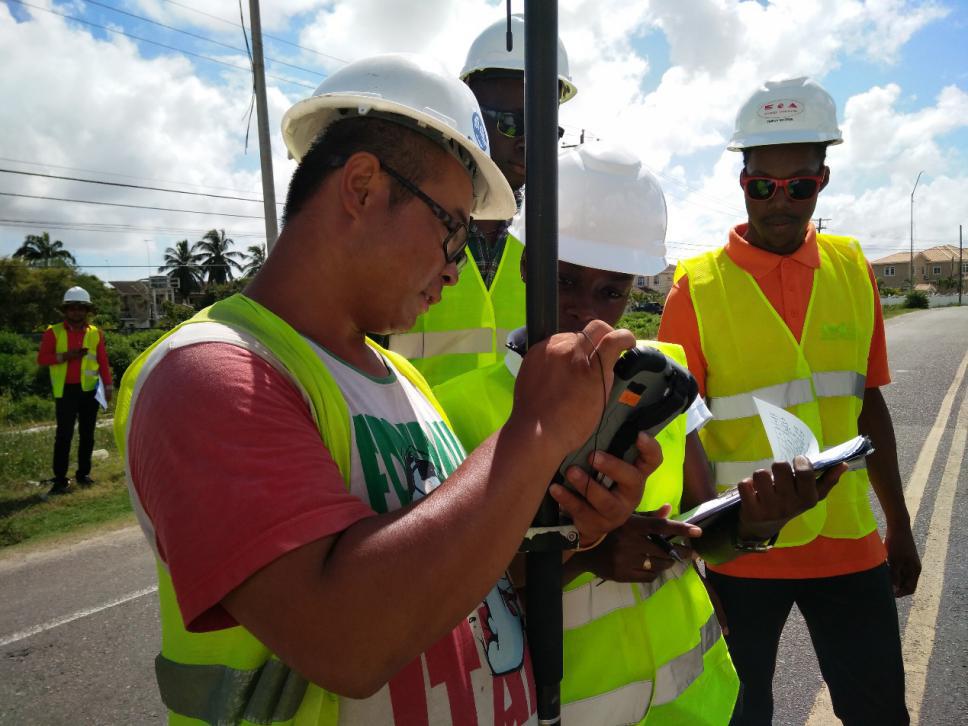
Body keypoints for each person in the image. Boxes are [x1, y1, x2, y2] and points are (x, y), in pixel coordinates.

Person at [114, 54, 653, 726]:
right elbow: (347, 642)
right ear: (363, 187)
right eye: (452, 230)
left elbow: (455, 592)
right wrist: (534, 433)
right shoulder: (212, 376)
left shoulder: (401, 379)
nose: (457, 271)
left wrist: (575, 534)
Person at [434, 143, 845, 725]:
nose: (587, 315)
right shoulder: (463, 409)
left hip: (700, 704)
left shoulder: (669, 380)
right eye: (565, 283)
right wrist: (587, 552)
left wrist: (759, 522)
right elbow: (452, 602)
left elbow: (705, 532)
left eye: (611, 291)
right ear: (527, 269)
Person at [658, 77, 921, 726]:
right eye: (762, 185)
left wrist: (901, 525)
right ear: (741, 181)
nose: (780, 201)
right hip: (740, 552)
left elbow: (869, 404)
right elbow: (675, 434)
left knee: (880, 712)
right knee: (737, 716)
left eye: (799, 185)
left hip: (847, 540)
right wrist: (696, 553)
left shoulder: (853, 267)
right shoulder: (695, 288)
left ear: (823, 180)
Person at [385, 13, 578, 386]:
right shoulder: (407, 224)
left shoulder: (558, 238)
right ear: (470, 111)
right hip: (419, 443)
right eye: (511, 123)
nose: (529, 142)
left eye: (544, 127)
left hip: (525, 444)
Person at [36, 285, 112, 496]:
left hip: (89, 391)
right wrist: (65, 356)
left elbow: (102, 361)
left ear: (87, 310)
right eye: (72, 308)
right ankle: (60, 479)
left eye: (81, 308)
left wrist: (108, 385)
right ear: (65, 310)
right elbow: (42, 359)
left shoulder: (95, 333)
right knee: (64, 436)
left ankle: (83, 474)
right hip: (66, 392)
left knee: (87, 435)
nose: (76, 311)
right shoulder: (54, 332)